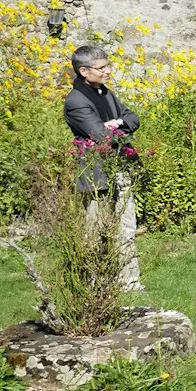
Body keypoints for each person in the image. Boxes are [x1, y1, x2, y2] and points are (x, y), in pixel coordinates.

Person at [64, 44, 143, 292]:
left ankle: (128, 282)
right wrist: (112, 128)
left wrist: (116, 122)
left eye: (108, 65)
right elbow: (101, 136)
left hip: (118, 166)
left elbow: (133, 118)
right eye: (102, 68)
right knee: (96, 228)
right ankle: (96, 284)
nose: (108, 71)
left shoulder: (104, 93)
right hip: (95, 171)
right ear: (84, 71)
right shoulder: (76, 101)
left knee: (126, 225)